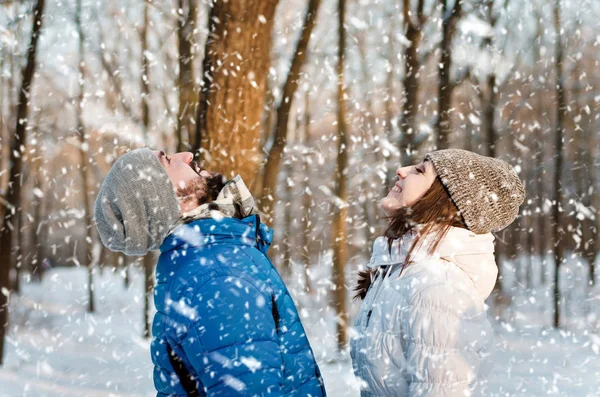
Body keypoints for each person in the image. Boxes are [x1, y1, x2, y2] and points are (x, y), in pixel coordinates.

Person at [93, 148, 326, 396]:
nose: (187, 155)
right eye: (169, 160)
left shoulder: (206, 263)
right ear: (164, 199)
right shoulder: (218, 277)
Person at [350, 149, 525, 397]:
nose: (402, 170)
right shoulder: (402, 274)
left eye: (420, 171)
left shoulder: (437, 290)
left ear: (442, 202)